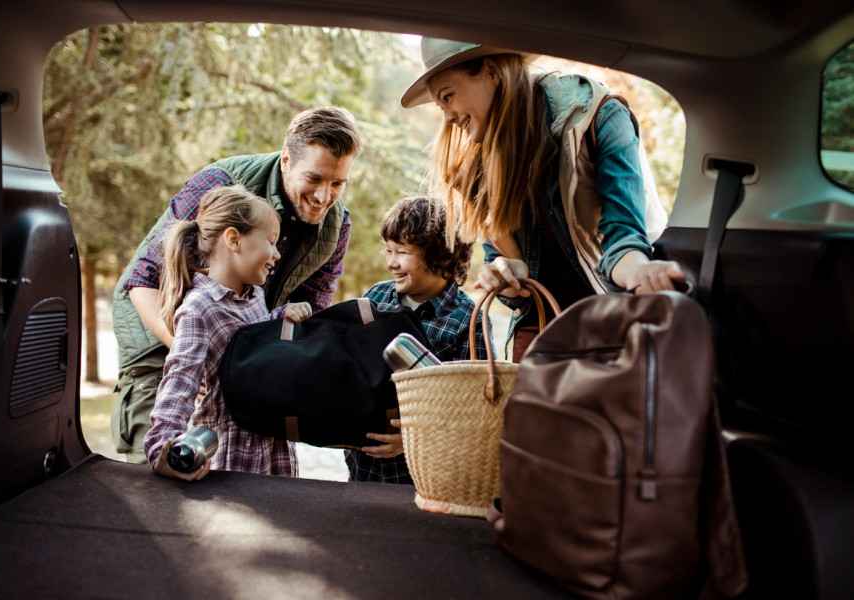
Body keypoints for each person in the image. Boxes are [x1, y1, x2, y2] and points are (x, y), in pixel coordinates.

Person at [401, 38, 685, 361]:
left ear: (491, 72)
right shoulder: (477, 170)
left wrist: (641, 273)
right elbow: (514, 276)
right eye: (441, 107)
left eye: (448, 97)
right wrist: (505, 274)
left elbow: (624, 241)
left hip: (615, 325)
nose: (449, 118)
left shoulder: (598, 116)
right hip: (546, 338)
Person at [111, 107, 361, 462]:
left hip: (240, 353)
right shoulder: (221, 182)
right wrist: (201, 362)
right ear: (287, 160)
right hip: (161, 341)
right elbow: (143, 280)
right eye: (315, 179)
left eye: (338, 184)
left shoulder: (336, 227)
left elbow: (309, 317)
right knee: (161, 476)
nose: (324, 196)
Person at [144, 185, 313, 481]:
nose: (276, 254)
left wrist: (279, 317)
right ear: (234, 239)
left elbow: (250, 341)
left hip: (271, 448)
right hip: (232, 456)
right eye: (271, 242)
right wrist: (162, 448)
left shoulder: (254, 296)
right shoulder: (200, 308)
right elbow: (179, 381)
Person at [345, 196, 489, 484]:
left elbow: (474, 410)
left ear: (439, 255)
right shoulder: (376, 297)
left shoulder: (468, 321)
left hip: (423, 474)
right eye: (388, 250)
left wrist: (410, 440)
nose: (391, 263)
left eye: (401, 252)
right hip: (363, 469)